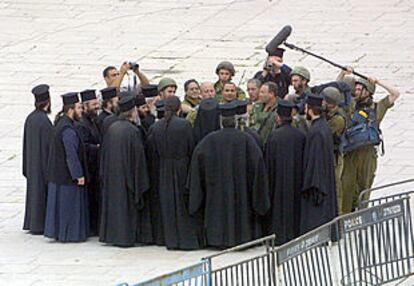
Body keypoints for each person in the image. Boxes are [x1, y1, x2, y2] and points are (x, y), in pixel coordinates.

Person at [187, 102, 270, 248]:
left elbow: (196, 171)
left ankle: (217, 239)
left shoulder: (208, 141)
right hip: (242, 196)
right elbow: (258, 169)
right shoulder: (247, 140)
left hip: (215, 195)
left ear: (220, 121)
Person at [146, 96, 203, 250]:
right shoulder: (184, 125)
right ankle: (185, 240)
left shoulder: (156, 127)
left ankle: (170, 239)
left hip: (164, 168)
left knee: (168, 203)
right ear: (179, 109)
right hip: (181, 166)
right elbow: (191, 147)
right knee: (182, 204)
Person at [341, 76, 400, 213]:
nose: (355, 92)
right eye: (355, 89)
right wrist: (343, 73)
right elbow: (336, 90)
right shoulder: (350, 105)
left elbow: (395, 93)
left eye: (359, 89)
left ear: (368, 92)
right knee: (347, 188)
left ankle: (361, 216)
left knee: (365, 187)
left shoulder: (377, 108)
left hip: (368, 154)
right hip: (350, 153)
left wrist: (378, 82)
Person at [99, 95, 151, 247]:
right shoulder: (133, 131)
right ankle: (125, 237)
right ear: (132, 112)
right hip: (127, 179)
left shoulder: (112, 128)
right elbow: (138, 160)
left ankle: (113, 236)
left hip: (112, 178)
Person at [44, 92, 89, 242]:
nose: (81, 110)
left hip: (57, 175)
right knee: (68, 208)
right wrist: (78, 175)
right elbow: (71, 155)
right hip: (66, 177)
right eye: (78, 107)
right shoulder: (68, 130)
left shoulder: (60, 124)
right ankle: (69, 234)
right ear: (71, 109)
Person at [265, 100, 305, 245]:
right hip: (296, 180)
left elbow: (268, 161)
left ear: (278, 117)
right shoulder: (300, 135)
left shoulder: (274, 136)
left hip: (278, 182)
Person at [300, 94, 336, 234]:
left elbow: (315, 162)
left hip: (318, 183)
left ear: (310, 109)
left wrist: (311, 184)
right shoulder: (323, 126)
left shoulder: (316, 132)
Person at [22, 84, 53, 234]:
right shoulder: (45, 122)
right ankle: (39, 224)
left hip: (32, 165)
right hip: (42, 166)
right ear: (48, 101)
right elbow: (49, 148)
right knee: (41, 195)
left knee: (33, 194)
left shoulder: (30, 119)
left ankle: (32, 222)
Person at [76, 89, 101, 235]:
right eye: (93, 105)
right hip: (89, 168)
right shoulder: (82, 124)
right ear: (85, 107)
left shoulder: (93, 120)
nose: (96, 107)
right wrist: (98, 148)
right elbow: (84, 146)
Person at [322, 87, 347, 215]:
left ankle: (339, 216)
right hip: (329, 155)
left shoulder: (338, 119)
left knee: (336, 188)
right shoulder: (328, 114)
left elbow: (326, 134)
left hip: (335, 158)